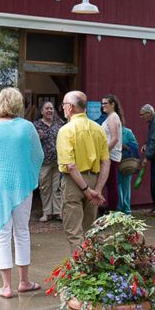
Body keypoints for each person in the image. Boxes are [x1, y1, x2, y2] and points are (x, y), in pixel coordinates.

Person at [0, 87, 44, 299]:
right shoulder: (27, 127)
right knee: (22, 231)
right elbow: (38, 155)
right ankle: (24, 282)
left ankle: (6, 287)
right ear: (18, 104)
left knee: (1, 234)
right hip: (21, 186)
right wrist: (29, 174)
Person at [56, 91, 110, 252]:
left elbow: (70, 165)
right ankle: (91, 264)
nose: (63, 108)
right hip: (94, 179)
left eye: (64, 105)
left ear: (70, 107)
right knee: (89, 230)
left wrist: (86, 190)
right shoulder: (98, 129)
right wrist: (97, 189)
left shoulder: (66, 130)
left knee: (74, 231)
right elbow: (106, 161)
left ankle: (81, 269)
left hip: (74, 182)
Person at [34, 100, 63, 222]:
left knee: (57, 187)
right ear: (41, 111)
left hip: (58, 161)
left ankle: (57, 212)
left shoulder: (59, 124)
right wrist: (37, 138)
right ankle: (46, 212)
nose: (49, 110)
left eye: (51, 108)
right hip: (43, 161)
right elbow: (31, 143)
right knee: (45, 188)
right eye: (47, 108)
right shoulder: (36, 125)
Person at [101, 94, 125, 213]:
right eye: (102, 103)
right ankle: (111, 209)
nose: (103, 105)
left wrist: (103, 153)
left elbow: (114, 139)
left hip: (111, 155)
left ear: (112, 104)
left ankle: (112, 210)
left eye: (105, 103)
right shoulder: (112, 117)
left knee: (111, 184)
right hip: (110, 155)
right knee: (110, 183)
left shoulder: (113, 117)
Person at [117, 126, 140, 214]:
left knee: (126, 185)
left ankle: (126, 209)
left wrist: (126, 146)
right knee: (117, 184)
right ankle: (119, 207)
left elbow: (135, 145)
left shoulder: (127, 132)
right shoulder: (109, 131)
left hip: (126, 162)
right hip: (115, 162)